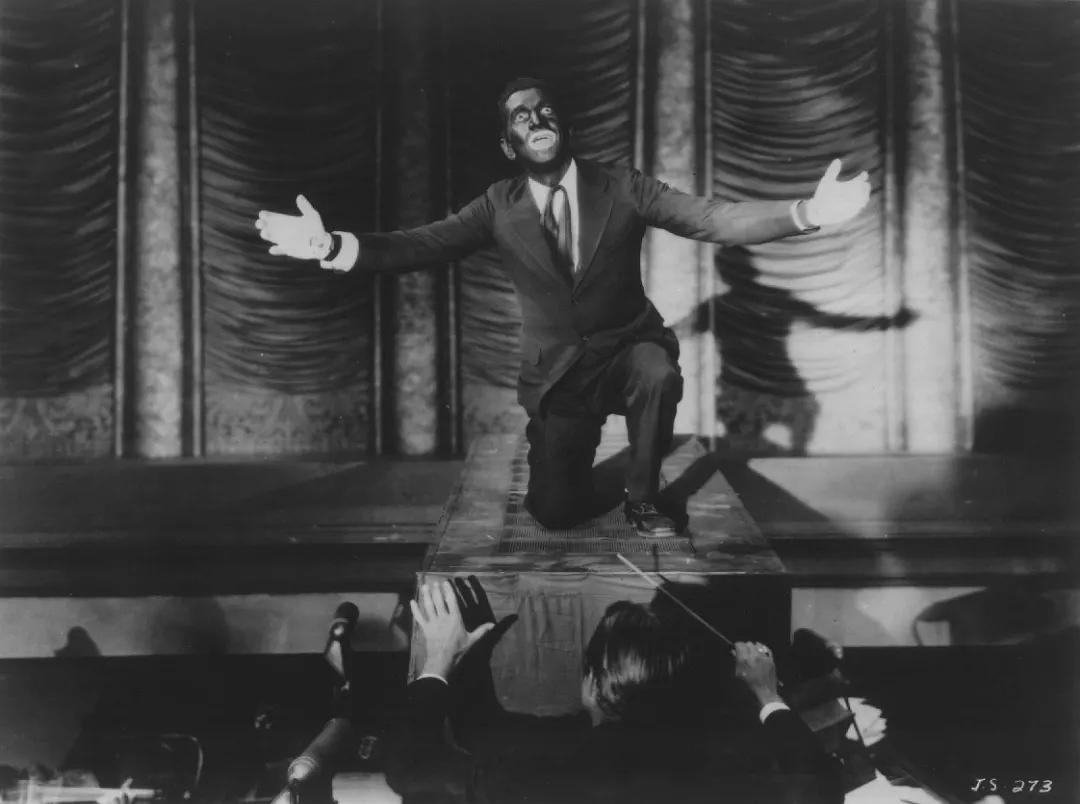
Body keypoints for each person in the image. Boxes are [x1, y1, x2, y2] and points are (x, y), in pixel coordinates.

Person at [255, 77, 870, 537]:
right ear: (509, 143)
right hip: (559, 374)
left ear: (565, 125)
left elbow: (711, 217)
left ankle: (643, 497)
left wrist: (806, 213)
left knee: (657, 372)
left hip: (629, 349)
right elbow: (420, 243)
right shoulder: (497, 204)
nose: (536, 117)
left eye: (545, 109)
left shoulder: (623, 186)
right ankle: (570, 472)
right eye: (521, 116)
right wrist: (332, 246)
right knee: (554, 512)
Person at [383, 577, 846, 804]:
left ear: (591, 684)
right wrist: (768, 695)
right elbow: (823, 787)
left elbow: (410, 770)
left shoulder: (531, 765)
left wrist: (441, 659)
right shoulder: (729, 768)